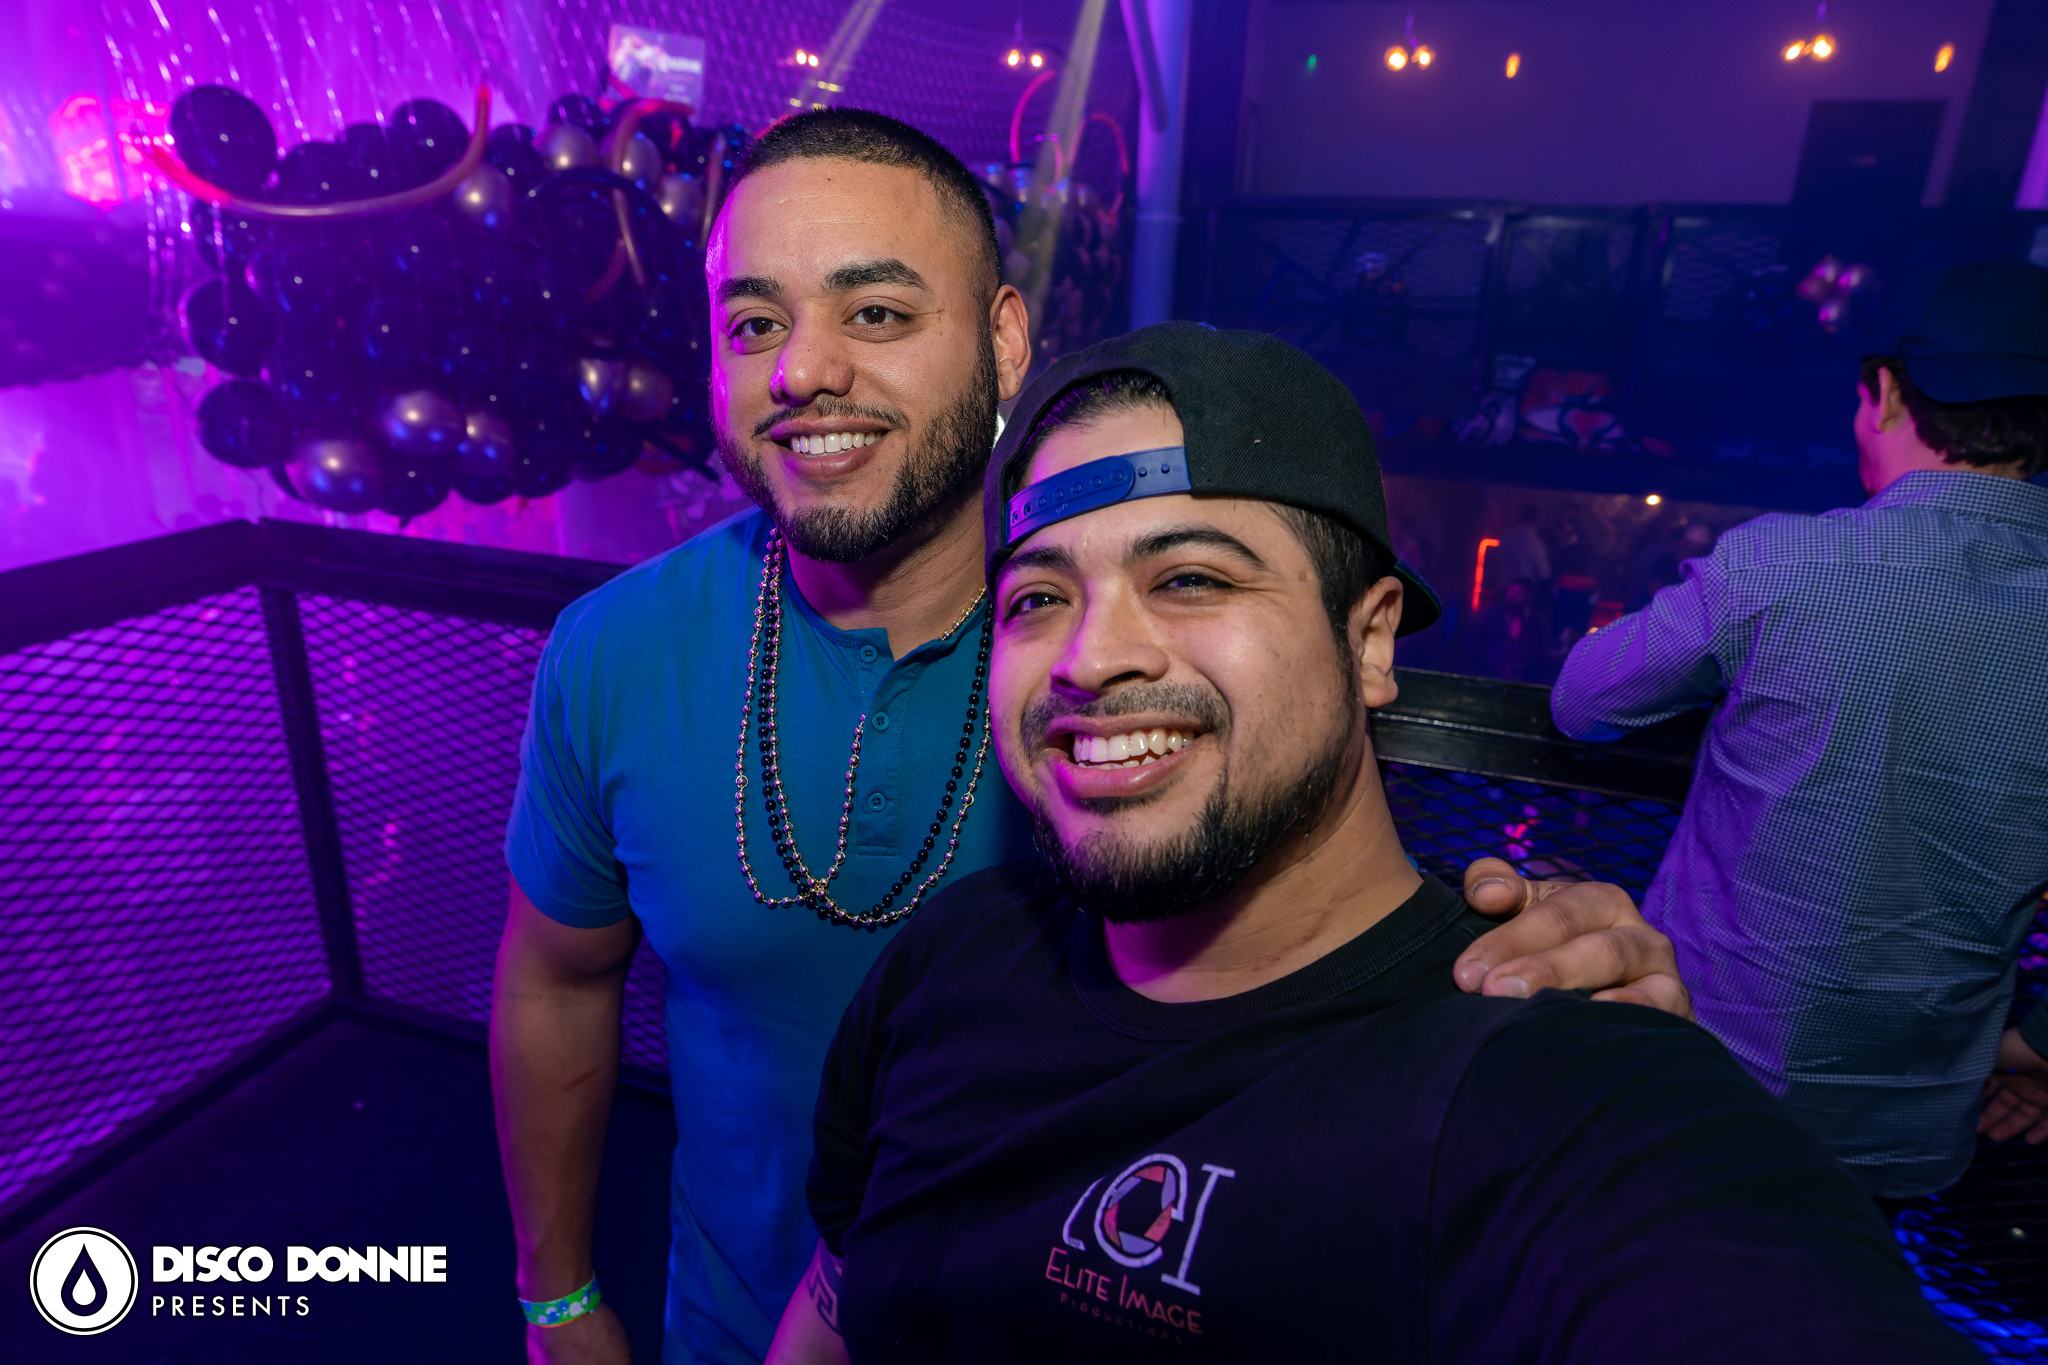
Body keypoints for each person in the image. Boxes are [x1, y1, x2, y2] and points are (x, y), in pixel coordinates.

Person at [493, 110, 1691, 1365]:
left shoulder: (1136, 685)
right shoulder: (615, 648)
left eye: (878, 312)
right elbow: (557, 980)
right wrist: (556, 1299)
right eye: (752, 324)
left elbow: (1324, 897)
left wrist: (1529, 969)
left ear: (1003, 341)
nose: (803, 371)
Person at [764, 323, 1970, 1365]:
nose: (1090, 657)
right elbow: (833, 1311)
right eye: (1038, 598)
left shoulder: (1553, 1084)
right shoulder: (948, 961)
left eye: (1190, 579)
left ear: (1371, 638)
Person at [1551, 259, 2048, 1200]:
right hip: (1908, 1134)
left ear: (1886, 393)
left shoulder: (1786, 563)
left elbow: (1584, 700)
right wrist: (2033, 1046)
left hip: (1703, 1094)